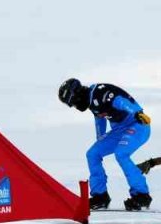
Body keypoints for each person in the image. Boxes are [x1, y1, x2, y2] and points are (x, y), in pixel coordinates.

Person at [58, 78, 152, 211]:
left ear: (77, 95)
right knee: (93, 154)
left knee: (121, 154)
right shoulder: (91, 100)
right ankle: (100, 196)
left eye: (73, 102)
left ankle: (142, 195)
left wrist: (136, 113)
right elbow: (99, 118)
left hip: (138, 124)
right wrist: (100, 140)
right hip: (119, 130)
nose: (75, 106)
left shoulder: (100, 92)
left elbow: (120, 101)